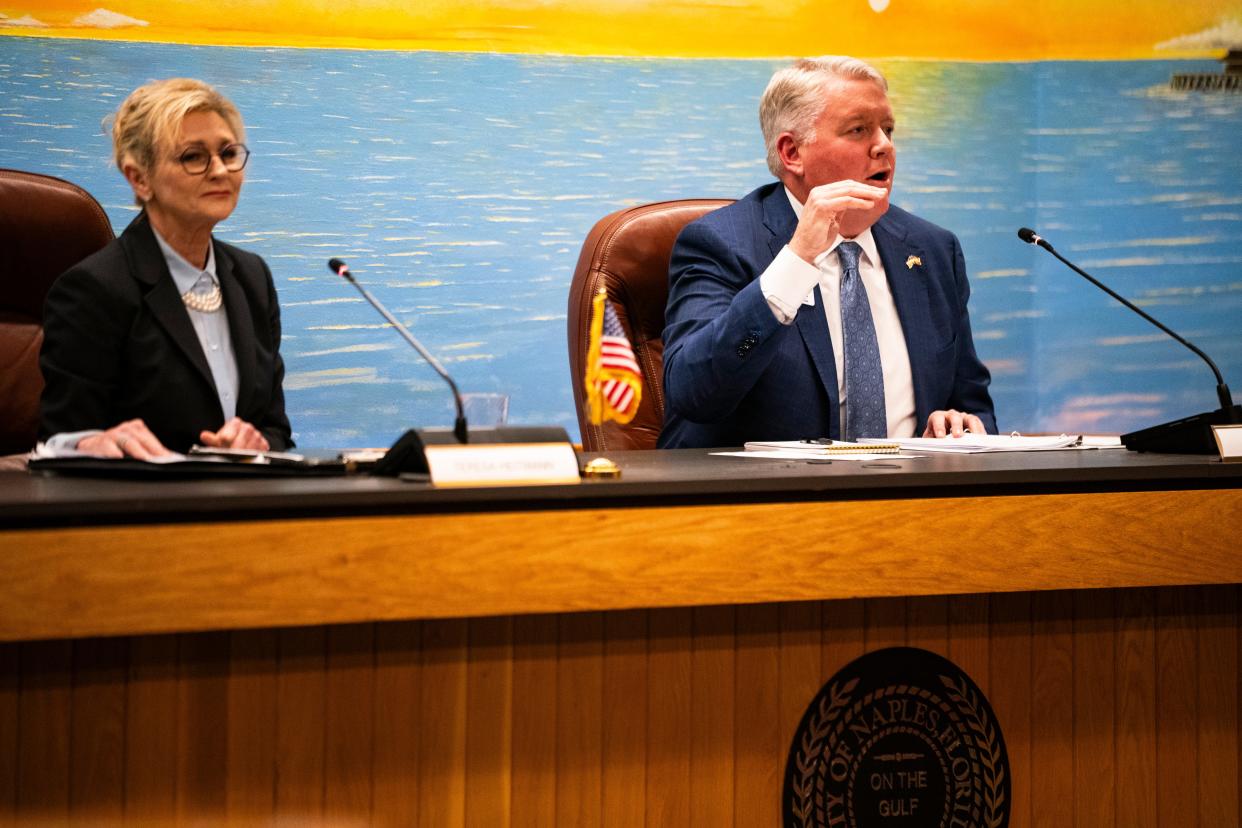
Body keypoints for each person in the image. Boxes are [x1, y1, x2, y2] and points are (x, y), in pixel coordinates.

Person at [658, 57, 996, 449]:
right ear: (792, 153)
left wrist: (960, 424)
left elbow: (972, 404)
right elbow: (693, 391)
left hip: (912, 498)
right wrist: (797, 259)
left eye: (888, 129)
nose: (885, 146)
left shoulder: (933, 251)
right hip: (772, 501)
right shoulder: (720, 244)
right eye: (859, 130)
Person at [39, 78, 293, 458]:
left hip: (243, 505)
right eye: (193, 157)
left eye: (228, 153)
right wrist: (95, 443)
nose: (220, 170)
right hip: (144, 507)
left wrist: (258, 443)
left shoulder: (252, 277)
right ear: (139, 178)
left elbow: (276, 431)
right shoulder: (94, 289)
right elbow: (58, 443)